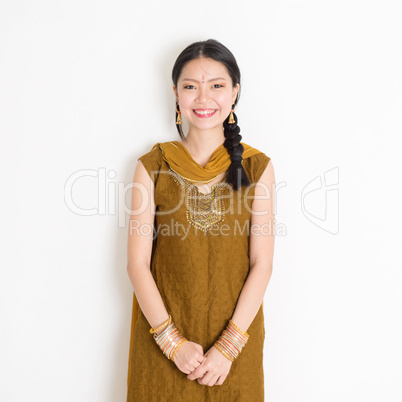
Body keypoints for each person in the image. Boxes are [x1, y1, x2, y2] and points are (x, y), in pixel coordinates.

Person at [126, 38, 275, 401]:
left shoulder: (257, 167)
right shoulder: (152, 166)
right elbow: (136, 264)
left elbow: (262, 264)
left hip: (233, 351)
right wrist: (171, 343)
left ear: (235, 92)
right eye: (191, 86)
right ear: (176, 93)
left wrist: (228, 348)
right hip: (162, 345)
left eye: (217, 86)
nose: (203, 98)